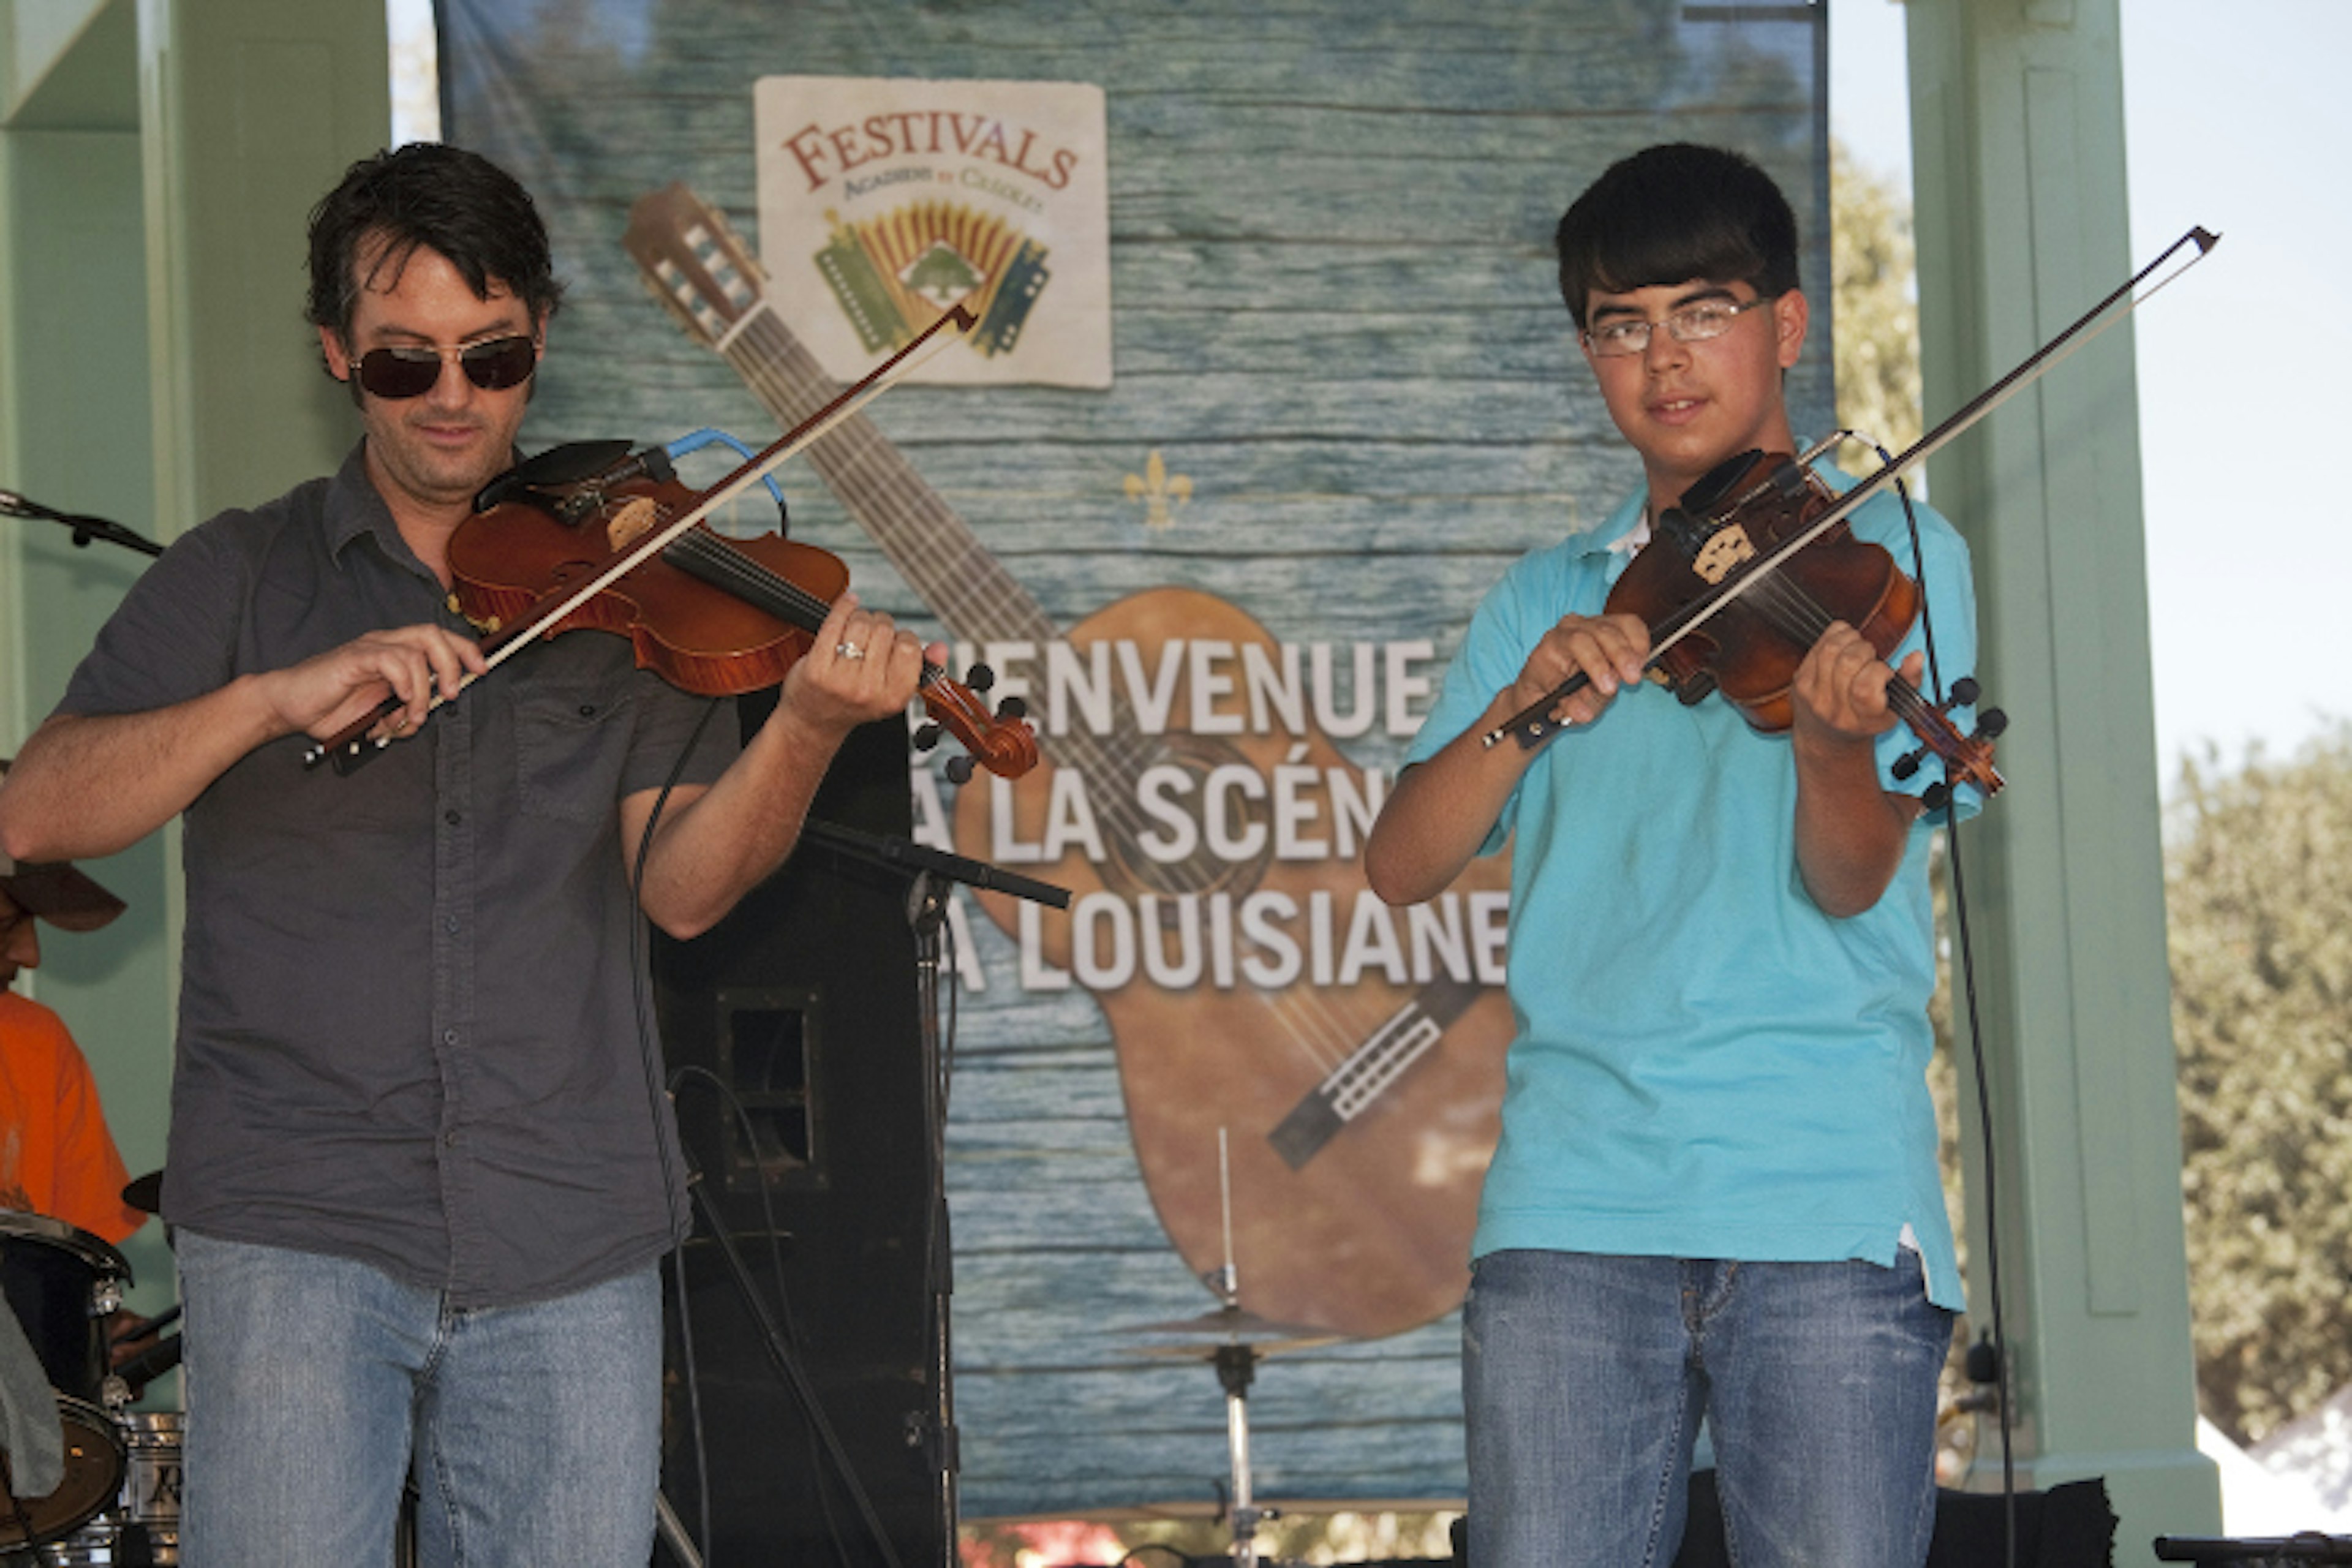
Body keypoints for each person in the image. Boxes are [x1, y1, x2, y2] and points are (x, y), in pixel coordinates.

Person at [0, 141, 934, 1568]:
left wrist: (801, 727)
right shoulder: (238, 575)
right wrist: (267, 696)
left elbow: (683, 890)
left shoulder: (636, 578)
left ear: (539, 339)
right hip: (297, 1212)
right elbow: (34, 813)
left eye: (489, 358)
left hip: (569, 1216)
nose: (451, 398)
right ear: (334, 353)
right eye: (402, 364)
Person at [1363, 143, 1982, 1567]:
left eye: (1701, 309)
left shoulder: (1892, 554)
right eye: (1618, 322)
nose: (1661, 358)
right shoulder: (1547, 592)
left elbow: (1847, 877)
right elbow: (1398, 861)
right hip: (1573, 1192)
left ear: (1783, 324)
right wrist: (1526, 707)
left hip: (1820, 1188)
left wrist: (1834, 750)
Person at [0, 831, 145, 1246]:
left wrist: (108, 1314)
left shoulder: (40, 1041)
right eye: (7, 925)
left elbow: (76, 1267)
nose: (31, 955)